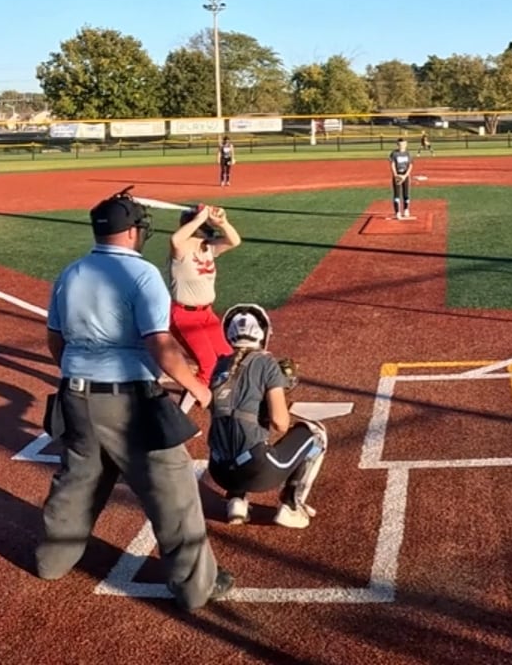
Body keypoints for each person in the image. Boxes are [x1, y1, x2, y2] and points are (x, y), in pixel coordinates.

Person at [35, 190, 230, 608]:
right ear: (129, 232)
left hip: (75, 394)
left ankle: (52, 560)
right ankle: (195, 587)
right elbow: (160, 343)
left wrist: (78, 373)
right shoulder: (142, 274)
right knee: (173, 488)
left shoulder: (71, 272)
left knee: (78, 479)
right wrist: (197, 387)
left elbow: (56, 340)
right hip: (129, 400)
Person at [207, 305, 327, 529]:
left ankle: (236, 500)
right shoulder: (266, 363)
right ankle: (291, 506)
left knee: (236, 425)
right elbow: (280, 424)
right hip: (256, 471)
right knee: (316, 434)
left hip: (219, 471)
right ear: (262, 333)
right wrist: (280, 387)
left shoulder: (220, 365)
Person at [168, 204, 242, 402]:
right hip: (184, 316)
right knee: (208, 364)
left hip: (207, 314)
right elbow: (175, 239)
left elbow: (234, 241)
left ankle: (223, 399)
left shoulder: (208, 247)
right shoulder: (181, 249)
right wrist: (200, 218)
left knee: (227, 357)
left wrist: (223, 222)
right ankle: (183, 412)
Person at [390, 138, 415, 218]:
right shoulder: (394, 153)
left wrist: (405, 176)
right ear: (397, 145)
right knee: (397, 193)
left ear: (406, 144)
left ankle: (406, 209)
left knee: (406, 193)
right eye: (400, 144)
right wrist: (396, 175)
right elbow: (392, 164)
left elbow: (410, 165)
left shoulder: (408, 154)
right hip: (397, 175)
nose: (402, 146)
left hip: (405, 175)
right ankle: (397, 211)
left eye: (404, 144)